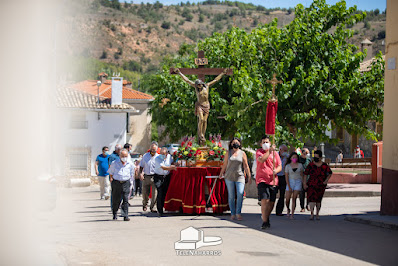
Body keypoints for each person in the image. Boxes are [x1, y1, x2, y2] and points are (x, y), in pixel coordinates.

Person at [173, 68, 227, 146]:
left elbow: (215, 80)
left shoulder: (207, 86)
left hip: (207, 105)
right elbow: (187, 80)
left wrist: (222, 73)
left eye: (200, 84)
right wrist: (179, 73)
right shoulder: (196, 89)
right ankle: (200, 134)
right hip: (200, 105)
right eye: (198, 85)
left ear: (202, 83)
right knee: (201, 119)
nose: (199, 86)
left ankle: (203, 135)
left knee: (205, 121)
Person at [219, 137, 252, 221]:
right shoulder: (228, 153)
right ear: (231, 144)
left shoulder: (242, 153)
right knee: (231, 196)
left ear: (240, 144)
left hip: (240, 176)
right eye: (233, 142)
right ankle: (233, 213)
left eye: (237, 142)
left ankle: (238, 213)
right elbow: (225, 164)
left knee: (240, 194)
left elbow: (246, 166)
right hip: (229, 176)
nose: (235, 144)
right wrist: (221, 173)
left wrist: (249, 176)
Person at [256, 135, 282, 229]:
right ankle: (265, 221)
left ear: (270, 143)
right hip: (262, 179)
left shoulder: (275, 154)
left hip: (273, 181)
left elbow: (279, 165)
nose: (265, 144)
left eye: (267, 142)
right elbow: (262, 159)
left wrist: (276, 171)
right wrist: (269, 151)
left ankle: (266, 216)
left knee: (271, 203)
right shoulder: (259, 152)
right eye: (263, 142)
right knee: (265, 200)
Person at [303, 150, 333, 220]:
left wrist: (326, 181)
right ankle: (312, 213)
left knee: (318, 200)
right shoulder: (311, 165)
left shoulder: (324, 166)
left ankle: (317, 213)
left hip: (320, 185)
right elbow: (305, 174)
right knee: (311, 199)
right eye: (314, 157)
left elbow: (330, 173)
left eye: (317, 157)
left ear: (320, 157)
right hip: (311, 184)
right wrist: (304, 183)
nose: (315, 159)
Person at [108, 149, 135, 221]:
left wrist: (131, 183)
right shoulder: (115, 163)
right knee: (116, 200)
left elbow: (132, 173)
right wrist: (111, 178)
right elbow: (111, 172)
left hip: (126, 182)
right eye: (123, 156)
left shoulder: (130, 164)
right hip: (116, 183)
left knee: (126, 199)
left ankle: (125, 215)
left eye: (126, 156)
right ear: (119, 156)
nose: (124, 157)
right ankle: (115, 213)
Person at [154, 147, 177, 217]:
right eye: (161, 153)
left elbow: (172, 162)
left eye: (164, 154)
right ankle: (159, 210)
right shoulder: (157, 158)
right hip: (158, 177)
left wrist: (176, 163)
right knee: (160, 193)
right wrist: (172, 167)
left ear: (167, 154)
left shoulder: (169, 157)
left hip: (166, 177)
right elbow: (163, 167)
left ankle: (163, 207)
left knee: (164, 193)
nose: (162, 155)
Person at [139, 141, 159, 212]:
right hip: (146, 177)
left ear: (157, 149)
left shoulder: (158, 157)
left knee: (155, 194)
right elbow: (141, 166)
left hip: (155, 177)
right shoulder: (145, 156)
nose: (153, 151)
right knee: (145, 193)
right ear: (150, 149)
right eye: (152, 149)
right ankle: (145, 204)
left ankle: (153, 207)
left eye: (154, 150)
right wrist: (140, 174)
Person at [285, 152, 304, 219]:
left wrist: (303, 183)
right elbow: (286, 177)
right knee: (287, 199)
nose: (294, 159)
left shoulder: (300, 165)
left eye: (295, 157)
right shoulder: (287, 166)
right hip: (290, 181)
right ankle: (288, 208)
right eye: (293, 157)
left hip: (298, 181)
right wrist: (289, 186)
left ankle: (292, 213)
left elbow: (302, 175)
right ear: (290, 158)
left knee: (294, 198)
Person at [275, 144, 289, 216]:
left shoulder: (287, 157)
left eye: (286, 150)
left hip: (283, 177)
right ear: (280, 150)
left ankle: (279, 211)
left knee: (282, 194)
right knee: (273, 194)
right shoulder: (275, 155)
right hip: (275, 176)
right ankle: (268, 208)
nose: (286, 152)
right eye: (285, 150)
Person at [299, 148, 311, 212]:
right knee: (301, 193)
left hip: (308, 179)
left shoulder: (309, 160)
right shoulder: (298, 159)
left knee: (309, 193)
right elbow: (292, 161)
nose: (307, 154)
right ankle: (302, 207)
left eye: (307, 153)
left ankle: (308, 205)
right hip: (300, 178)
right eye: (305, 153)